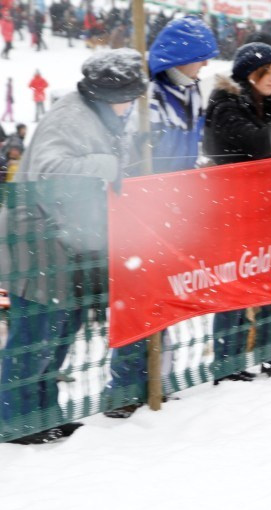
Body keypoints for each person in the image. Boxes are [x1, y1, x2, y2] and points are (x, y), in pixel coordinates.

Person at [0, 48, 146, 444]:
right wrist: (106, 164)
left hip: (67, 245)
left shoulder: (100, 116)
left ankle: (45, 415)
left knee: (57, 335)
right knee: (35, 337)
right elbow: (49, 171)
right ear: (108, 94)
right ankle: (17, 424)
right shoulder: (70, 116)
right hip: (38, 242)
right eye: (128, 96)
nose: (131, 105)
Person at [102, 16, 220, 418]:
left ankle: (157, 380)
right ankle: (123, 389)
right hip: (141, 213)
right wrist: (138, 158)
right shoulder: (147, 97)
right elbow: (125, 152)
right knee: (137, 301)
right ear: (181, 57)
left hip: (175, 209)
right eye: (199, 58)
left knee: (163, 300)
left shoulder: (195, 93)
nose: (204, 66)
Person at [203, 42, 271, 377]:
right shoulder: (226, 104)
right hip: (231, 210)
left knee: (270, 281)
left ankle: (270, 353)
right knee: (234, 286)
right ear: (251, 73)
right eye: (268, 73)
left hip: (264, 209)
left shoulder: (264, 104)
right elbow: (259, 144)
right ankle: (227, 363)